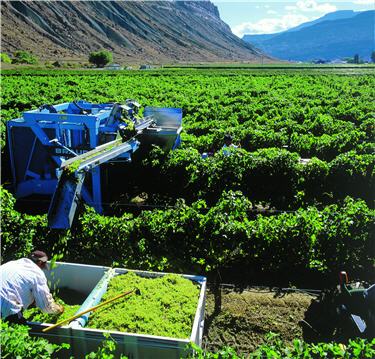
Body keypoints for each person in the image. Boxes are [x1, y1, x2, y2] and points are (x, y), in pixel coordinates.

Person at [0, 250, 64, 324]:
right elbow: (45, 306)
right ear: (40, 262)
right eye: (44, 265)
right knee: (17, 329)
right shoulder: (37, 273)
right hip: (6, 308)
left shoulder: (11, 263)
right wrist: (58, 309)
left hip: (3, 301)